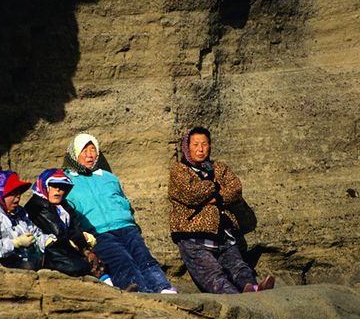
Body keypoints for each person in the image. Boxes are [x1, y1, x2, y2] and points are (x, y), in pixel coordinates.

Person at [63, 133, 176, 294]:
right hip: (98, 232)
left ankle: (163, 288)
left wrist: (125, 214)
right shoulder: (67, 181)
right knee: (122, 260)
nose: (89, 155)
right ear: (74, 154)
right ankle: (141, 293)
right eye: (84, 150)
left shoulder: (108, 177)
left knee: (143, 257)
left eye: (93, 150)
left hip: (125, 226)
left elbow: (123, 200)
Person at [168, 126, 275, 294]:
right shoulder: (178, 170)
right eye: (195, 144)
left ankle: (253, 289)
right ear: (186, 147)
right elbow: (191, 193)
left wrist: (215, 198)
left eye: (204, 144)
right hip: (193, 236)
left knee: (239, 267)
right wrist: (215, 185)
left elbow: (235, 189)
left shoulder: (219, 167)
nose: (200, 149)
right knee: (213, 275)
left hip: (224, 234)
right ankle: (236, 299)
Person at [25, 168, 109, 281]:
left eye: (63, 187)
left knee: (99, 262)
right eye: (54, 185)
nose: (58, 190)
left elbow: (74, 227)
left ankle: (113, 290)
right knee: (82, 266)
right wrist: (82, 241)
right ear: (45, 186)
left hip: (65, 247)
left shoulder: (63, 206)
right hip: (50, 251)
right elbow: (58, 233)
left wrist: (86, 247)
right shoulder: (37, 206)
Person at [0, 170, 53, 270]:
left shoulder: (19, 213)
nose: (18, 196)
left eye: (19, 192)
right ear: (0, 193)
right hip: (5, 273)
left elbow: (35, 234)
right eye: (13, 192)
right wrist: (15, 243)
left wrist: (50, 241)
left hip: (29, 265)